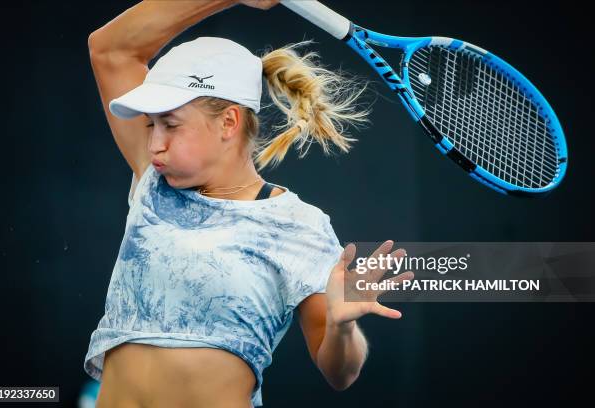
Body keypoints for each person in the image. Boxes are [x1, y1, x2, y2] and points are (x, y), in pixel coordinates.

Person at [84, 1, 412, 407]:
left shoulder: (297, 225)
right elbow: (110, 48)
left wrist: (342, 329)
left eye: (171, 124)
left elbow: (340, 373)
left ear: (229, 122)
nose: (154, 143)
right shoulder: (153, 179)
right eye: (150, 125)